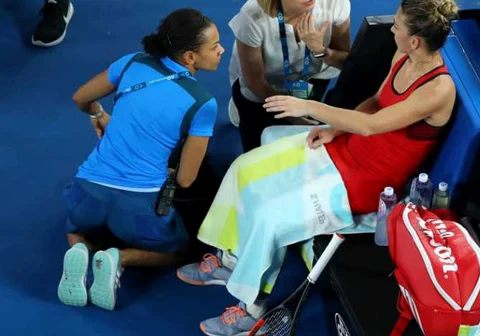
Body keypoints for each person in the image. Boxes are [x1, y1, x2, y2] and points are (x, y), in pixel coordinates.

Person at [179, 0, 458, 334]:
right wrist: (336, 129)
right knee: (243, 167)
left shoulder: (439, 89)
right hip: (347, 145)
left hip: (367, 179)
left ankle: (251, 312)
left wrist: (310, 107)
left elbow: (373, 125)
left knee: (271, 217)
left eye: (397, 25)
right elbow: (374, 104)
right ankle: (232, 260)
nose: (392, 28)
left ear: (415, 40)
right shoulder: (403, 56)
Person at [57, 8, 225, 311]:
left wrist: (98, 114)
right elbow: (186, 179)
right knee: (180, 250)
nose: (221, 50)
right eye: (214, 46)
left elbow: (80, 98)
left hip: (87, 193)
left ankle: (81, 248)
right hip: (138, 210)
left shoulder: (131, 62)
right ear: (189, 57)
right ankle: (117, 258)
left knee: (75, 226)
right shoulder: (203, 103)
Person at [228, 0, 352, 152]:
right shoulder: (252, 16)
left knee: (299, 142)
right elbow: (255, 80)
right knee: (256, 146)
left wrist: (320, 50)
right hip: (264, 85)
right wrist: (291, 116)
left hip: (313, 77)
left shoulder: (335, 3)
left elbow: (344, 62)